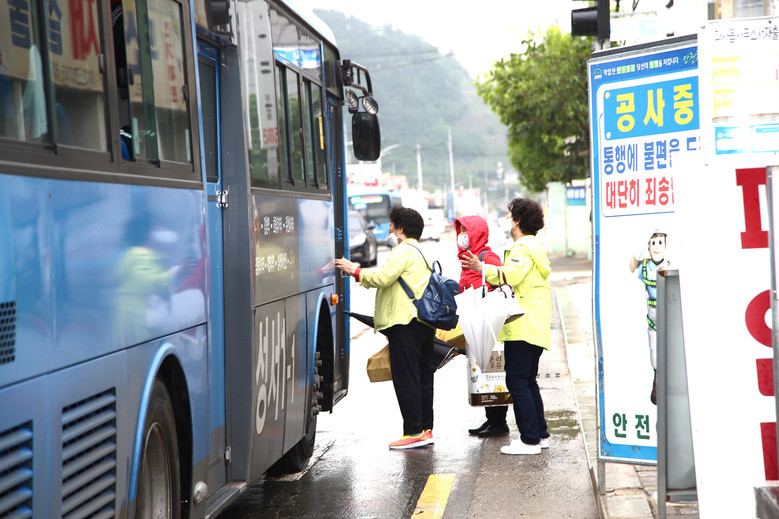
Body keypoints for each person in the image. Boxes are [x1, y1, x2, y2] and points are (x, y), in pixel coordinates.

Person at [335, 206, 436, 450]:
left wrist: (354, 270)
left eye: (391, 225)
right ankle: (425, 430)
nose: (389, 230)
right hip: (423, 323)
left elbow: (383, 277)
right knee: (423, 378)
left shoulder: (403, 250)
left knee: (406, 379)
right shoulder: (421, 251)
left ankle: (413, 431)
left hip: (405, 323)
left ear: (400, 229)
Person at [461, 198, 552, 455]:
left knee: (517, 381)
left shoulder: (522, 248)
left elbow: (512, 275)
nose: (507, 219)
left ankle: (530, 440)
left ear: (518, 220)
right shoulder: (535, 246)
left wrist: (483, 268)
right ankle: (540, 434)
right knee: (528, 381)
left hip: (523, 326)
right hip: (534, 325)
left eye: (510, 215)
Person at [455, 215, 510, 437]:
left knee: (494, 373)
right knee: (483, 373)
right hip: (476, 322)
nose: (461, 236)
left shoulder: (487, 257)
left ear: (475, 233)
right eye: (460, 231)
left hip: (490, 323)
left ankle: (499, 423)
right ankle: (491, 419)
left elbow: (502, 281)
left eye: (465, 231)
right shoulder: (467, 259)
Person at [629, 228, 669, 405]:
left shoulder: (670, 263)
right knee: (654, 352)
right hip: (653, 315)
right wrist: (638, 252)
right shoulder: (645, 266)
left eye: (660, 242)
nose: (656, 247)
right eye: (653, 243)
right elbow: (632, 268)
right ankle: (657, 380)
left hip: (669, 313)